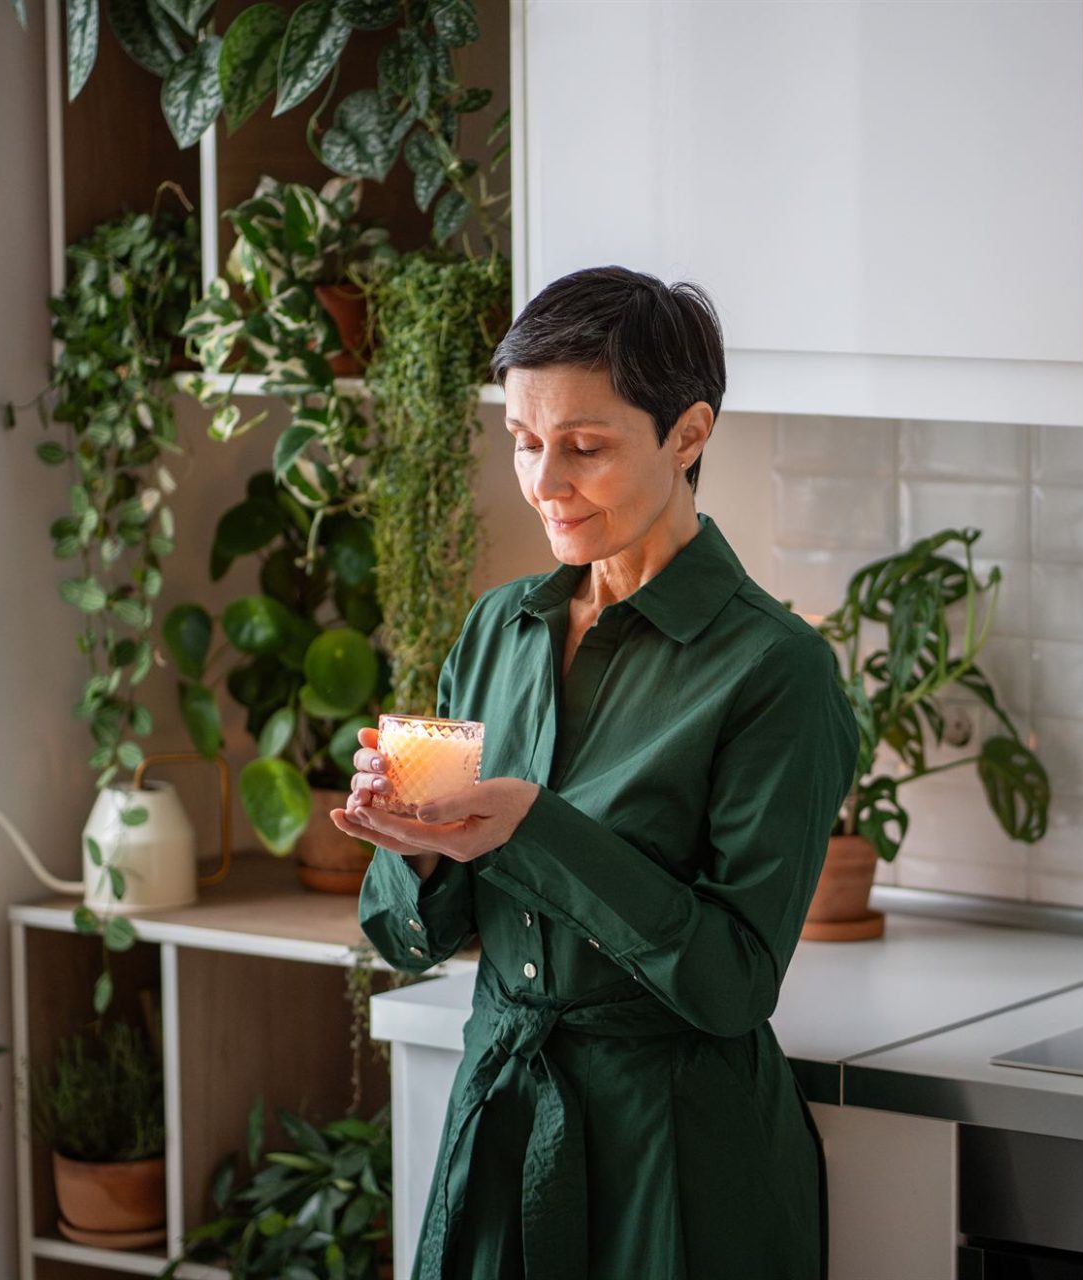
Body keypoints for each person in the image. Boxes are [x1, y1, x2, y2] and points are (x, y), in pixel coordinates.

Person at [330, 266, 859, 1280]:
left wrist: (530, 823)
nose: (543, 483)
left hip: (679, 1157)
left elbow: (731, 979)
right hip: (501, 1119)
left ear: (688, 435)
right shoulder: (500, 628)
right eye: (526, 444)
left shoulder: (773, 671)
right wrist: (421, 850)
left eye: (585, 446)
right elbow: (405, 935)